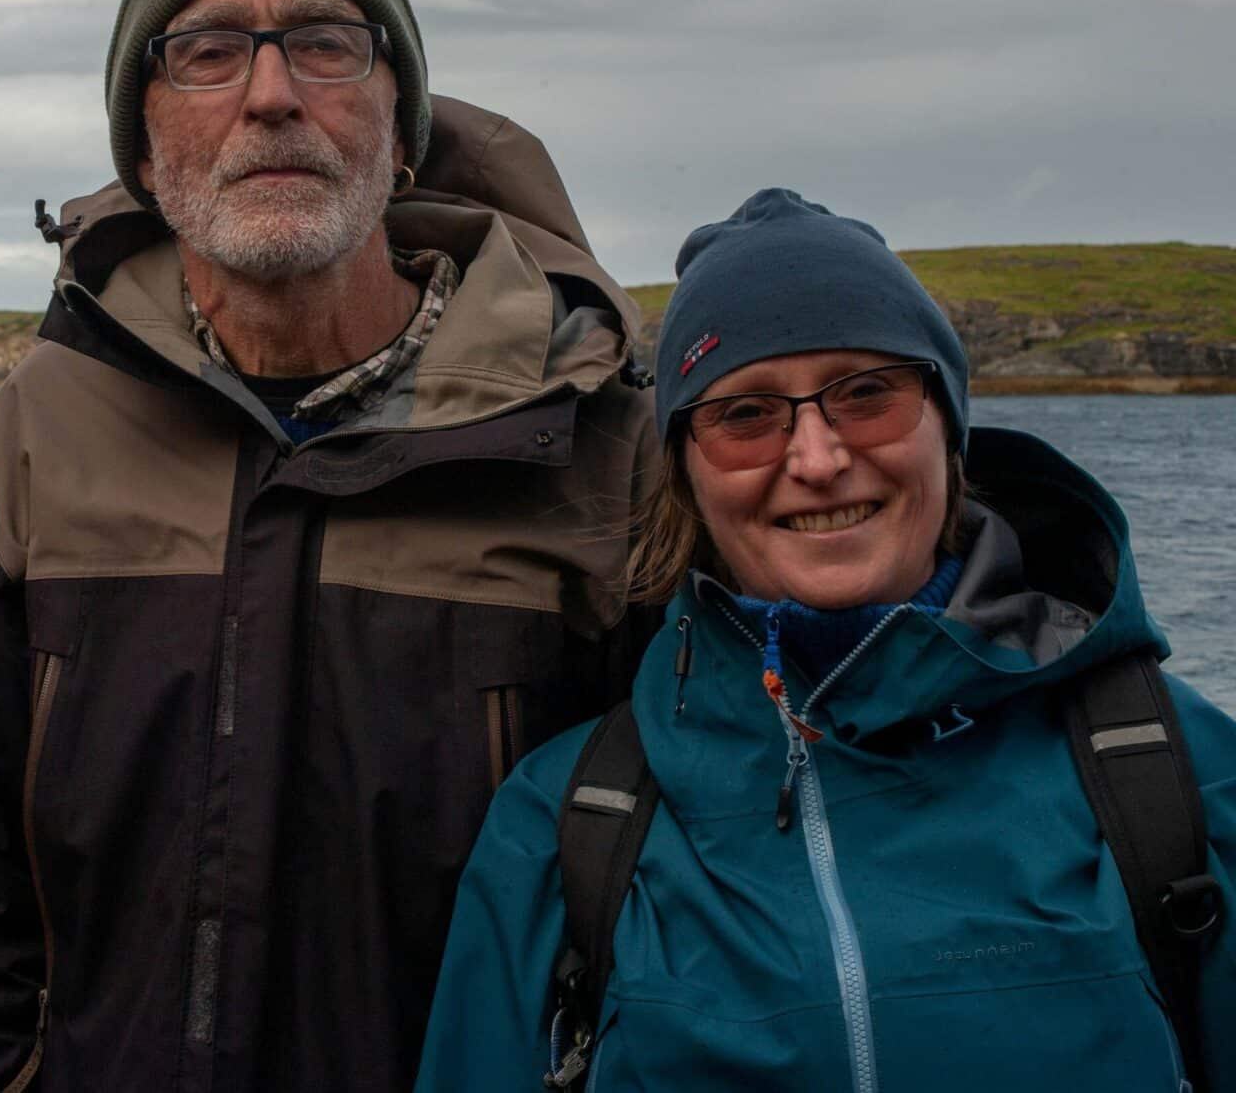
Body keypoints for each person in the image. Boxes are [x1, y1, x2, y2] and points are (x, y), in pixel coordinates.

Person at [0, 0, 660, 1091]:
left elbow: (685, 879)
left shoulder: (588, 440)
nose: (273, 95)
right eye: (208, 51)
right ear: (143, 137)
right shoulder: (36, 436)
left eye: (327, 46)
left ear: (400, 126)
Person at [416, 187, 1236, 1092]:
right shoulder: (567, 823)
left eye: (867, 393)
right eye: (745, 415)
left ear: (948, 428)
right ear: (685, 471)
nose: (815, 459)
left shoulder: (1174, 775)